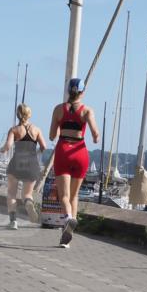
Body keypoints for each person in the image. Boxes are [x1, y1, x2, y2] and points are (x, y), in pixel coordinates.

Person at [49, 78, 100, 248]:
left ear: (68, 91)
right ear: (82, 92)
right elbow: (95, 134)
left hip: (63, 150)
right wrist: (95, 136)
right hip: (80, 152)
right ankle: (69, 235)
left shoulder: (58, 109)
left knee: (63, 196)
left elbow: (51, 135)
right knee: (74, 196)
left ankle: (68, 220)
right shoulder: (87, 111)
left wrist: (60, 126)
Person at [0, 103, 46, 229]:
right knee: (27, 194)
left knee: (11, 194)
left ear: (18, 114)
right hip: (31, 164)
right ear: (29, 114)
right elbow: (44, 146)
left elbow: (8, 146)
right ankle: (29, 204)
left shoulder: (14, 130)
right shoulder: (36, 130)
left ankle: (13, 221)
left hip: (16, 164)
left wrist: (2, 150)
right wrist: (36, 153)